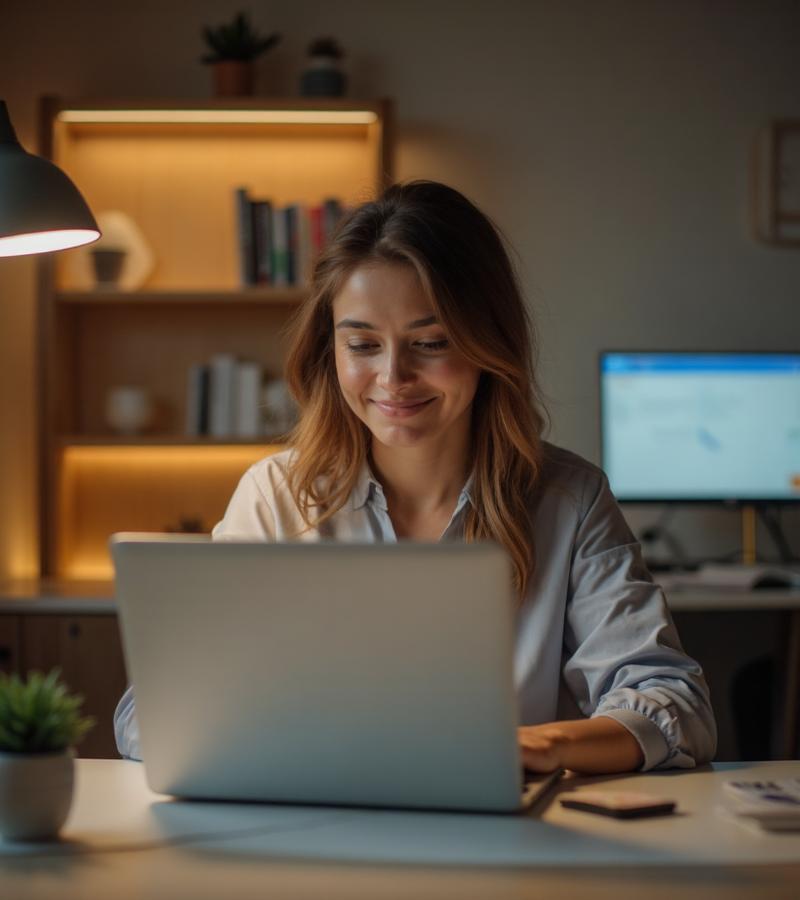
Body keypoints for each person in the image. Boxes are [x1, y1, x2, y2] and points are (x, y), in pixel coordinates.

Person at [115, 180, 716, 772]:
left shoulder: (569, 499)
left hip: (502, 825)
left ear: (488, 345)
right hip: (316, 816)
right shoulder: (275, 496)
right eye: (363, 345)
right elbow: (149, 714)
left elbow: (674, 704)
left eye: (430, 342)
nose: (393, 378)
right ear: (330, 350)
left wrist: (537, 747)